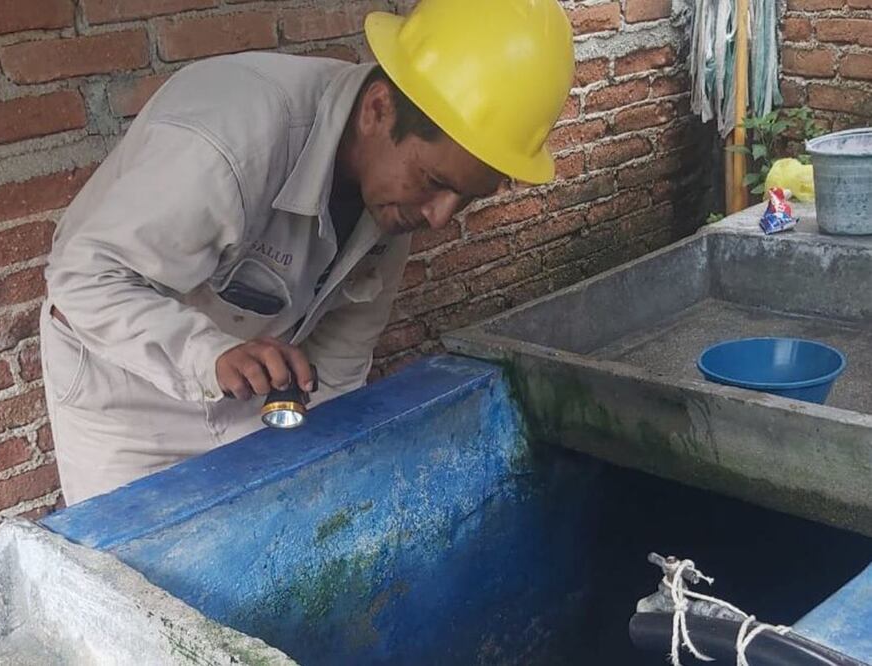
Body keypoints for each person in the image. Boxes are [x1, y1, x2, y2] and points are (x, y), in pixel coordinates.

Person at [40, 0, 575, 504]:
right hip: (125, 398)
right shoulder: (228, 142)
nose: (439, 215)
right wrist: (209, 354)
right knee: (127, 580)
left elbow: (341, 362)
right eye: (434, 181)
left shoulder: (396, 199)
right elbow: (81, 280)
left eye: (465, 196)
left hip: (246, 386)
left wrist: (329, 471)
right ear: (377, 109)